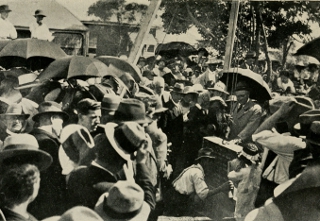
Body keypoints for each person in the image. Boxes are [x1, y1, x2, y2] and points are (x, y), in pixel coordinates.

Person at [67, 121, 147, 209]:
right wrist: (141, 163)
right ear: (122, 163)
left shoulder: (76, 173)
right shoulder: (115, 192)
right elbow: (146, 208)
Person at [28, 101, 69, 219]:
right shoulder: (49, 143)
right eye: (61, 123)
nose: (61, 128)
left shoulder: (29, 138)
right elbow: (56, 180)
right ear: (53, 119)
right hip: (48, 205)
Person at [163, 148, 233, 216]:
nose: (211, 164)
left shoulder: (195, 168)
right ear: (202, 160)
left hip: (175, 196)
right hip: (177, 200)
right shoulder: (197, 172)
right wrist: (221, 188)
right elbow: (203, 194)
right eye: (209, 160)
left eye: (212, 161)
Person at [228, 143, 262, 221]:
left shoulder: (244, 171)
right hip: (253, 194)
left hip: (243, 195)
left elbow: (230, 176)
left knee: (239, 214)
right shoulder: (259, 170)